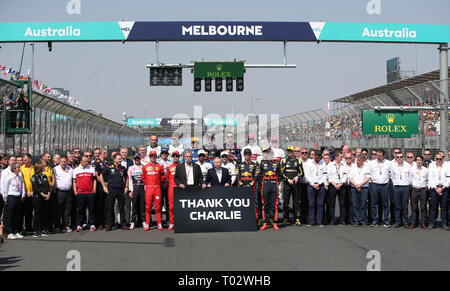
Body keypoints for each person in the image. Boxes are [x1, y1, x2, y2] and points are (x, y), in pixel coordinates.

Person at [101, 154, 127, 231]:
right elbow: (101, 176)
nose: (120, 160)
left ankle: (123, 224)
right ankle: (109, 224)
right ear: (114, 159)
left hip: (121, 190)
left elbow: (126, 177)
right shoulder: (109, 167)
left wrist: (126, 187)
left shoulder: (123, 168)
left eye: (121, 159)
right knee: (110, 207)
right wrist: (104, 186)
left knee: (121, 207)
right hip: (111, 190)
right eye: (118, 159)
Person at [258, 148, 282, 231]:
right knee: (265, 204)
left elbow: (280, 176)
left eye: (271, 154)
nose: (270, 155)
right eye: (268, 154)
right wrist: (264, 183)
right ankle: (265, 223)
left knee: (274, 205)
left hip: (274, 186)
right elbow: (260, 176)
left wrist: (276, 183)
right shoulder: (262, 163)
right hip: (265, 186)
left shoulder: (277, 163)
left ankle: (275, 222)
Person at [141, 150, 165, 231]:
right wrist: (148, 184)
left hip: (157, 188)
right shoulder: (145, 166)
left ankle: (159, 223)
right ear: (149, 157)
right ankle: (147, 223)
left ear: (156, 157)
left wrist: (157, 184)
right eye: (151, 156)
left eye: (154, 156)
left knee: (158, 207)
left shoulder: (160, 166)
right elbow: (143, 178)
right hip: (149, 189)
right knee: (148, 207)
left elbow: (162, 177)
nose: (152, 157)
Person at [280, 146, 304, 226]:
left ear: (294, 152)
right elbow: (281, 173)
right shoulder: (284, 160)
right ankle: (286, 218)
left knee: (296, 202)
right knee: (286, 202)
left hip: (296, 184)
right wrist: (287, 179)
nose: (289, 152)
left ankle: (296, 218)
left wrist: (297, 177)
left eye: (291, 151)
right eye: (288, 151)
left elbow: (301, 172)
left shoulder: (299, 161)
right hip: (287, 184)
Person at [73, 156, 97, 232]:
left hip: (90, 193)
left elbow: (94, 180)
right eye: (85, 161)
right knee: (80, 210)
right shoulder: (76, 170)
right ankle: (79, 225)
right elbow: (74, 181)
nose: (87, 162)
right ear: (81, 162)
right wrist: (75, 191)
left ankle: (92, 224)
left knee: (91, 209)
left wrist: (94, 190)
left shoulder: (91, 169)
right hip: (80, 193)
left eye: (87, 161)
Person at [2, 163, 26, 240]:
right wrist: (5, 197)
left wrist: (23, 194)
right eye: (18, 167)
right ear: (14, 169)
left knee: (17, 215)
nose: (19, 169)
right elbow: (5, 187)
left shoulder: (20, 176)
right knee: (10, 215)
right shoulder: (9, 177)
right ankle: (9, 232)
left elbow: (22, 185)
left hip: (18, 196)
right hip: (11, 197)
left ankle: (16, 231)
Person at [304, 151, 327, 227]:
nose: (317, 158)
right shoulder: (309, 163)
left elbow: (325, 174)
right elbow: (307, 175)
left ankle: (319, 221)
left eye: (319, 156)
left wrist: (319, 183)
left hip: (320, 185)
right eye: (316, 156)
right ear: (314, 156)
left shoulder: (323, 163)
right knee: (311, 204)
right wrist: (313, 184)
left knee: (320, 204)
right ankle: (311, 221)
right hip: (311, 185)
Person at [390, 152, 412, 228]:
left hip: (405, 187)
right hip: (396, 187)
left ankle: (405, 222)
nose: (399, 158)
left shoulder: (408, 166)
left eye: (401, 157)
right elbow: (392, 176)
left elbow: (410, 177)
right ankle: (397, 222)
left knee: (405, 206)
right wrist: (396, 183)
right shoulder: (393, 166)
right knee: (397, 206)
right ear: (396, 158)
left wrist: (406, 183)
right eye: (398, 157)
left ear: (403, 157)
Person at [236, 149, 259, 220]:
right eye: (246, 154)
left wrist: (250, 184)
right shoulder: (239, 165)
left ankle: (254, 218)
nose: (247, 156)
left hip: (251, 187)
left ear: (251, 155)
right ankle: (243, 218)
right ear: (243, 155)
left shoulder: (255, 165)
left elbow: (256, 176)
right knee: (242, 203)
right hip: (242, 187)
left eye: (249, 154)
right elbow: (237, 176)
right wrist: (241, 184)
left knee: (253, 203)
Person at [348, 154, 371, 227]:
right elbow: (350, 178)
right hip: (354, 188)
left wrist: (360, 185)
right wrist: (356, 185)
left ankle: (363, 220)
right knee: (355, 204)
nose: (357, 161)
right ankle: (357, 220)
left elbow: (367, 178)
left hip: (364, 188)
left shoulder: (366, 167)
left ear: (363, 161)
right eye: (357, 160)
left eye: (359, 160)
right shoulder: (353, 167)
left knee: (363, 204)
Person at [427, 153, 448, 230]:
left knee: (444, 208)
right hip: (434, 189)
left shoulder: (447, 166)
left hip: (444, 189)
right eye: (437, 159)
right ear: (435, 159)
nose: (439, 160)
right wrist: (436, 189)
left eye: (440, 159)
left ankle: (443, 223)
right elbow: (430, 178)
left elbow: (448, 179)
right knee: (433, 207)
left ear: (442, 159)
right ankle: (432, 223)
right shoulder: (432, 166)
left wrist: (442, 189)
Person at [31, 161, 51, 237]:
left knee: (44, 213)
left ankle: (44, 229)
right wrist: (43, 195)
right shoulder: (34, 177)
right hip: (38, 198)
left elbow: (48, 185)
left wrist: (48, 193)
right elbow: (36, 188)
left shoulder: (44, 176)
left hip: (46, 197)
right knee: (37, 214)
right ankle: (36, 230)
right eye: (43, 166)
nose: (44, 167)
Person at [53, 156, 73, 233]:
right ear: (59, 161)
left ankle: (66, 225)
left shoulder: (70, 169)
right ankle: (57, 226)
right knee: (58, 210)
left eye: (65, 161)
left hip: (69, 192)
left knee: (67, 210)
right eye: (62, 161)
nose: (63, 163)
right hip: (59, 192)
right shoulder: (55, 169)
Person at [326, 151, 347, 225]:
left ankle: (342, 220)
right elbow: (328, 176)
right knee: (332, 204)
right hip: (333, 186)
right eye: (340, 156)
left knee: (342, 204)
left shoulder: (343, 165)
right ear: (336, 157)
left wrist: (341, 183)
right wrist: (334, 184)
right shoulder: (330, 165)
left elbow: (345, 175)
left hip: (341, 185)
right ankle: (332, 220)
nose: (342, 157)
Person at [410, 155, 428, 229]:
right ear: (415, 161)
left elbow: (427, 179)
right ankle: (414, 222)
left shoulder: (426, 170)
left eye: (420, 160)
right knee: (414, 207)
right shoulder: (412, 169)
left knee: (423, 207)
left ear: (422, 161)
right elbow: (409, 179)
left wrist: (426, 186)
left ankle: (423, 223)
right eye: (417, 160)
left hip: (423, 190)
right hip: (414, 190)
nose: (419, 161)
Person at [128, 154, 145, 230]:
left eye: (138, 158)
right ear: (134, 159)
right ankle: (132, 222)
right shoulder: (131, 168)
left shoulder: (144, 167)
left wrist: (146, 188)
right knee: (134, 206)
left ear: (140, 159)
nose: (137, 160)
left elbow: (146, 179)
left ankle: (143, 221)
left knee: (142, 206)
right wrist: (130, 191)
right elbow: (130, 180)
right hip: (134, 188)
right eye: (136, 159)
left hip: (142, 188)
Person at [92, 148, 108, 229]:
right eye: (106, 153)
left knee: (106, 204)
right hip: (100, 186)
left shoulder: (106, 163)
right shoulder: (96, 163)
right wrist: (103, 184)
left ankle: (105, 221)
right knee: (99, 205)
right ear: (104, 153)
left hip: (106, 185)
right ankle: (99, 223)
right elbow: (97, 175)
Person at [165, 151, 181, 230]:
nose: (175, 157)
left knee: (181, 206)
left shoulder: (182, 166)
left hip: (180, 188)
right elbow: (167, 178)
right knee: (171, 206)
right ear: (172, 157)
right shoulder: (168, 167)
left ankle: (180, 221)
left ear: (179, 157)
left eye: (177, 156)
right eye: (174, 156)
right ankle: (171, 222)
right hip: (171, 188)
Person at [20, 153, 35, 234]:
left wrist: (32, 191)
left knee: (29, 212)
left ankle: (29, 227)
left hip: (32, 193)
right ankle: (21, 228)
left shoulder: (34, 168)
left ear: (30, 159)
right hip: (24, 193)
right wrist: (25, 192)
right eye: (23, 160)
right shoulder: (21, 168)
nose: (24, 161)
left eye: (26, 160)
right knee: (22, 212)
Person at [119, 147, 133, 227]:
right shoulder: (117, 162)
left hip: (128, 185)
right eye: (123, 152)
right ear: (120, 153)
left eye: (125, 152)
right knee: (119, 205)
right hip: (119, 185)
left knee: (128, 204)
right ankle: (119, 221)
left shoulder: (131, 161)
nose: (124, 154)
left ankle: (128, 220)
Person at [158, 148, 172, 225]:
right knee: (159, 203)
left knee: (168, 204)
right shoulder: (157, 163)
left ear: (167, 154)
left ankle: (168, 220)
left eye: (165, 153)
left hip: (168, 185)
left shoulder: (170, 163)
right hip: (160, 185)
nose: (164, 154)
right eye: (162, 153)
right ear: (160, 154)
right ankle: (159, 221)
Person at [297, 147, 309, 224]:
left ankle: (307, 217)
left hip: (308, 184)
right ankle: (300, 218)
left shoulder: (310, 162)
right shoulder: (298, 161)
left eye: (305, 153)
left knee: (307, 202)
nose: (304, 154)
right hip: (299, 184)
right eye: (303, 153)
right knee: (299, 202)